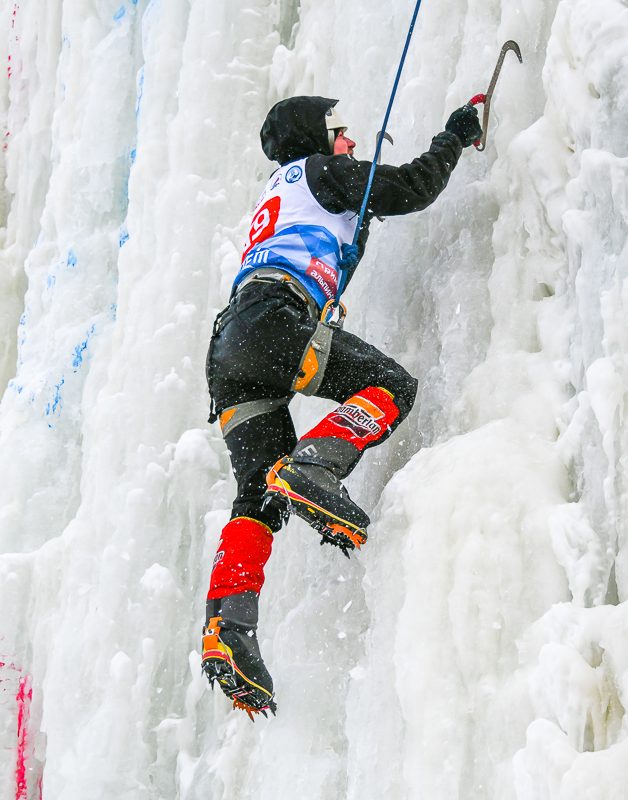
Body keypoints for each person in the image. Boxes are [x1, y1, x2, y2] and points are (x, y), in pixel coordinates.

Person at [200, 95, 484, 717]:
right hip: (274, 322)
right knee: (392, 386)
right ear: (316, 138)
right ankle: (317, 466)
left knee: (257, 498)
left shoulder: (278, 194)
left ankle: (228, 631)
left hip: (228, 348)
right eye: (342, 133)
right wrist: (454, 136)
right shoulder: (322, 173)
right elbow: (410, 187)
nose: (351, 143)